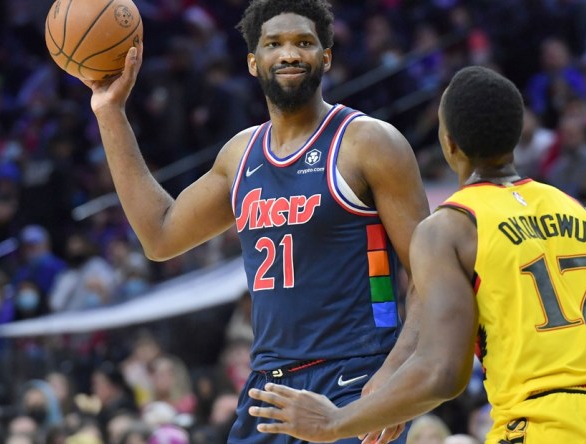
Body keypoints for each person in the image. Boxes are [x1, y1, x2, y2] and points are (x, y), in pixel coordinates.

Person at [247, 66, 586, 443]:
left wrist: (335, 422)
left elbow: (442, 373)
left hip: (548, 422)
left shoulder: (450, 227)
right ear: (515, 134)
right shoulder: (582, 213)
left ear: (448, 142)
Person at [80, 0, 429, 442]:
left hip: (353, 380)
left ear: (326, 56)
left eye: (304, 42)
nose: (288, 54)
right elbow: (161, 234)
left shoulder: (368, 142)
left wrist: (394, 379)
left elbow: (427, 276)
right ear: (252, 61)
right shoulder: (241, 154)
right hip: (268, 387)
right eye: (274, 43)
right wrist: (110, 112)